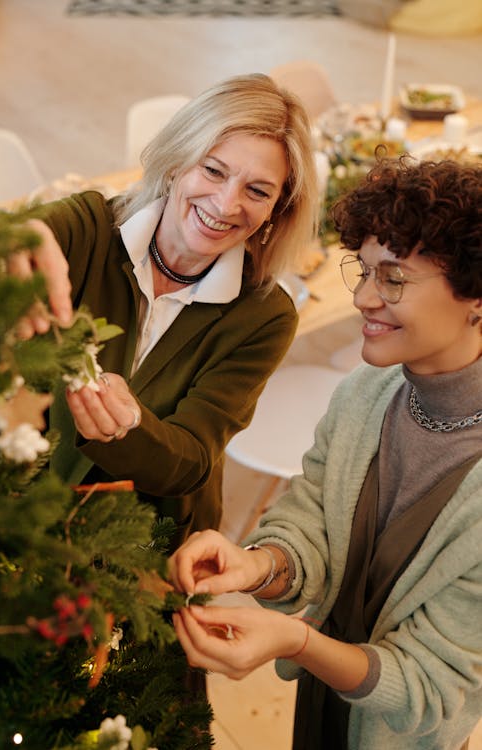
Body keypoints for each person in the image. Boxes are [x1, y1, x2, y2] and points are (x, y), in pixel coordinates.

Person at [169, 157, 482, 750]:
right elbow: (312, 514)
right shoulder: (369, 393)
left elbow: (429, 686)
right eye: (362, 272)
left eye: (393, 279)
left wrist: (295, 641)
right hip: (320, 715)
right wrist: (259, 564)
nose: (364, 298)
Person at [17, 73, 317, 549]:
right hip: (20, 511)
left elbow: (192, 459)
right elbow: (17, 237)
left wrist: (132, 427)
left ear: (277, 212)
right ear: (177, 162)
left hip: (148, 540)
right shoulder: (88, 228)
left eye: (257, 191)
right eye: (213, 170)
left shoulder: (265, 315)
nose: (225, 203)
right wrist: (16, 242)